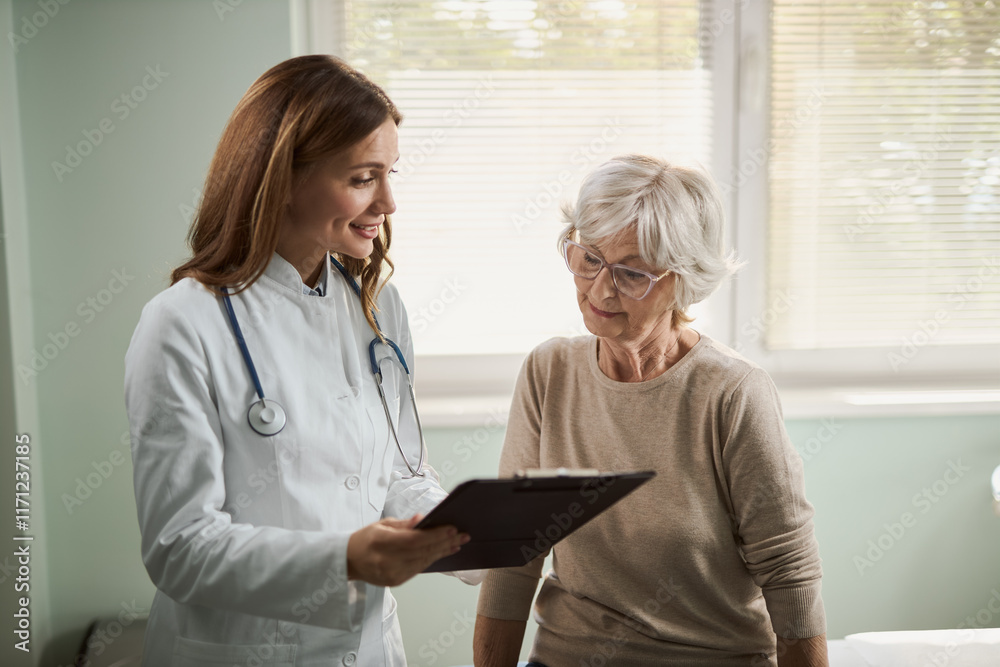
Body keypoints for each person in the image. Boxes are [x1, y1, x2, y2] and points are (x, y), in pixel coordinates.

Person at [124, 55, 476, 667]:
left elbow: (397, 473)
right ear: (283, 177)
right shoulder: (183, 322)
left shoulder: (378, 308)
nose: (388, 202)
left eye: (391, 174)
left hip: (369, 647)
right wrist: (344, 558)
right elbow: (179, 548)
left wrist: (480, 537)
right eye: (365, 177)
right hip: (240, 651)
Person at [473, 155, 829, 667]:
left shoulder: (733, 392)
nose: (600, 288)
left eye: (632, 273)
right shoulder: (549, 371)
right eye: (589, 259)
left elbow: (788, 569)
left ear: (683, 279)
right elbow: (515, 553)